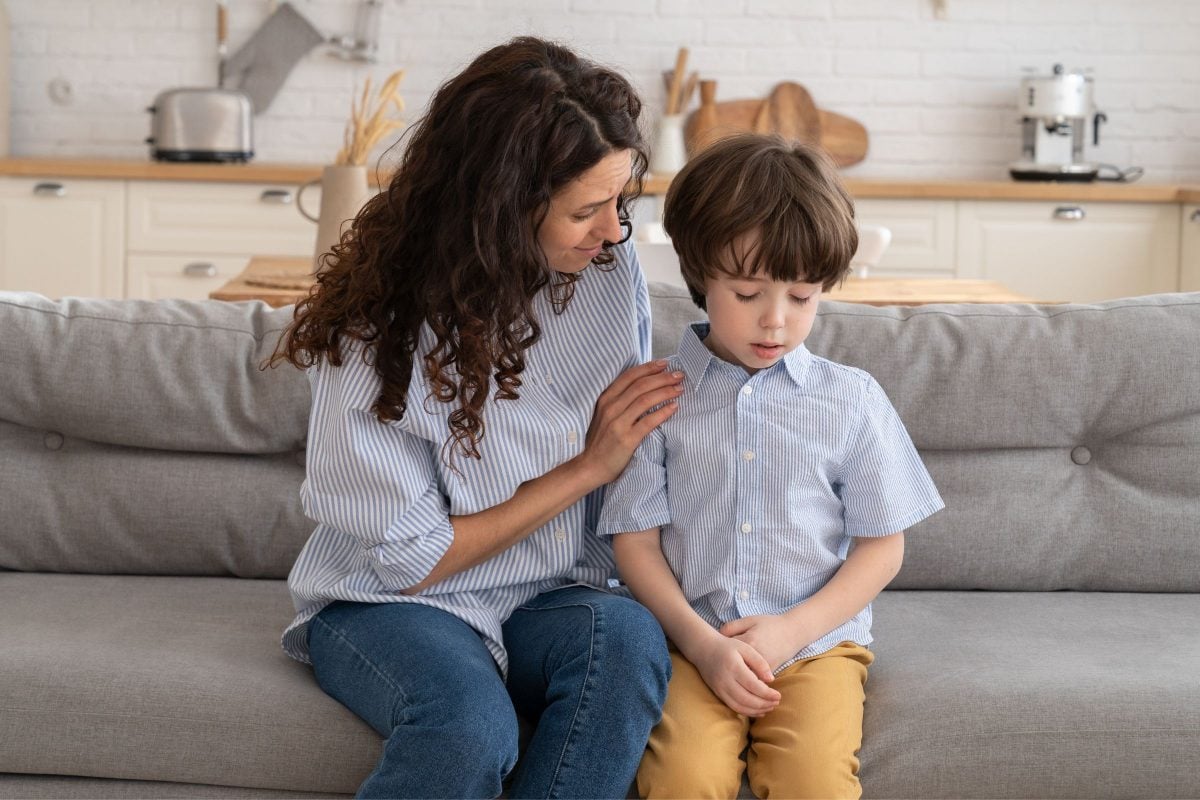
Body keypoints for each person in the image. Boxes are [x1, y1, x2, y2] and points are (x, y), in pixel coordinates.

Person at [271, 37, 679, 799]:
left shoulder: (606, 272)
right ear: (498, 205)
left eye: (619, 203)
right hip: (393, 603)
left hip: (554, 595)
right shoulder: (378, 327)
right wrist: (586, 468)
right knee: (466, 729)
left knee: (626, 644)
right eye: (585, 211)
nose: (615, 235)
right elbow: (411, 559)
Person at [597, 134, 944, 800]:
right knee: (681, 779)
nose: (776, 321)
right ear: (700, 276)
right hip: (693, 644)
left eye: (803, 296)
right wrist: (701, 645)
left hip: (815, 647)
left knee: (813, 784)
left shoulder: (850, 399)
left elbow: (883, 548)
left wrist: (793, 629)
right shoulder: (658, 397)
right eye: (749, 292)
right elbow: (634, 545)